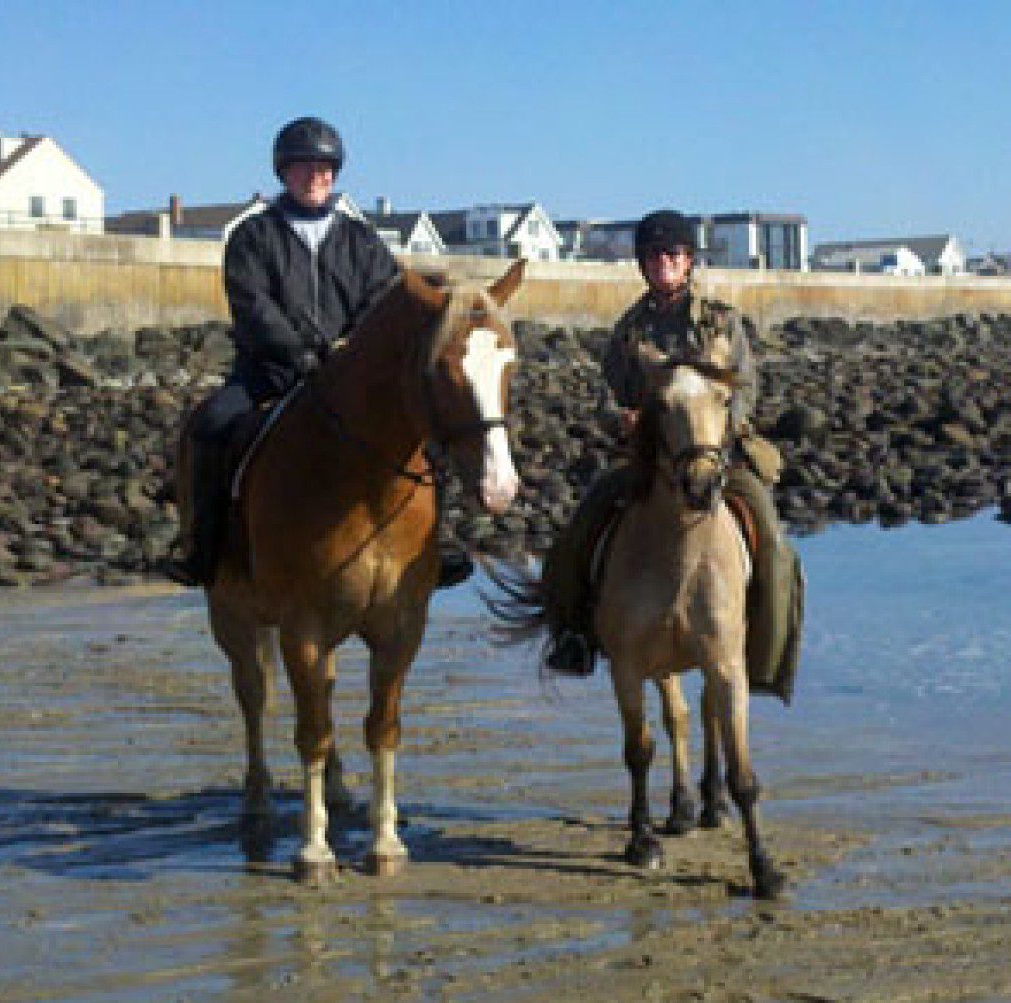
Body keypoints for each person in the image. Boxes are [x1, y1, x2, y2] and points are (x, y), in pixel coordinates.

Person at [166, 116, 473, 588]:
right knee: (209, 427)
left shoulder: (361, 240)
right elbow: (253, 305)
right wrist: (295, 353)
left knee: (425, 428)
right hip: (268, 374)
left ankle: (438, 541)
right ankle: (204, 548)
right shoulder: (252, 237)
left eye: (325, 169)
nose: (316, 177)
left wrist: (351, 352)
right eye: (305, 167)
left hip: (348, 378)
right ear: (284, 173)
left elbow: (382, 301)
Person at [544, 209, 801, 699]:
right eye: (654, 256)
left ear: (689, 261)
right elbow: (609, 394)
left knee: (769, 536)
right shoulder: (628, 332)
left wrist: (716, 426)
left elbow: (745, 386)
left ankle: (766, 657)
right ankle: (575, 635)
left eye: (674, 254)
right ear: (643, 263)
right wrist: (620, 418)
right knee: (583, 524)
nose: (664, 263)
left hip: (715, 455)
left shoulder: (722, 323)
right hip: (650, 460)